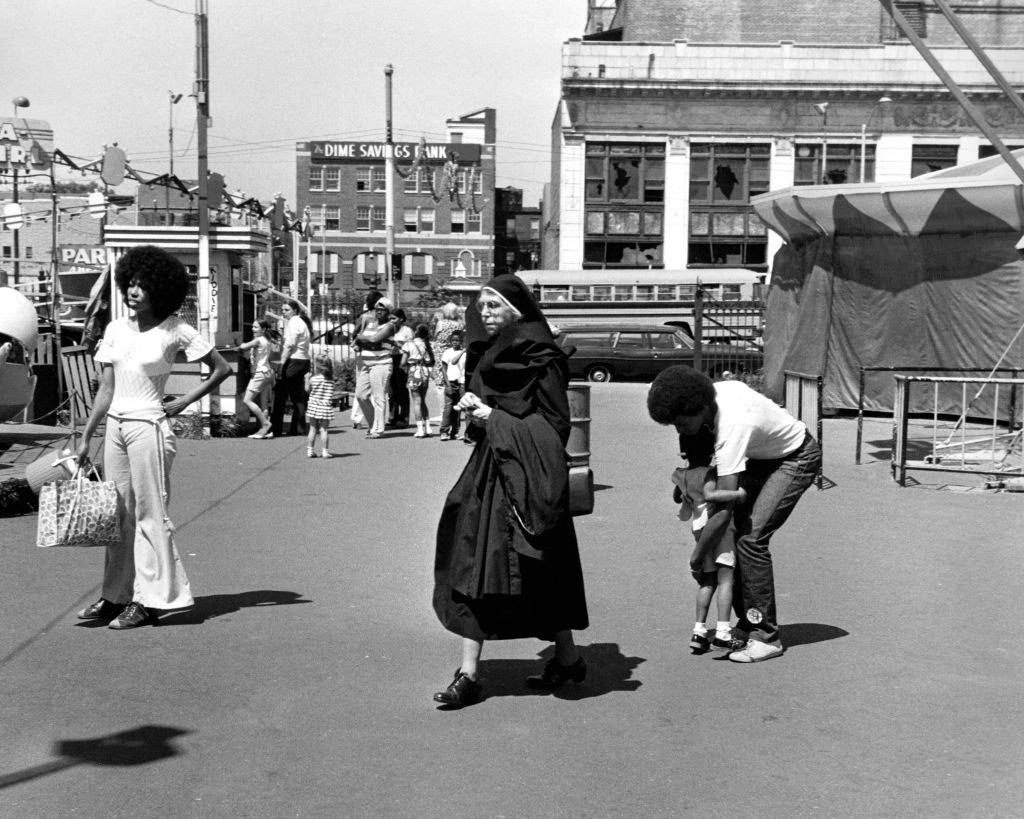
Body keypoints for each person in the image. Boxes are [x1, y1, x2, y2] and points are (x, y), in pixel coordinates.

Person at [432, 275, 589, 707]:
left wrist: (492, 418)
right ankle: (469, 674)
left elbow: (555, 427)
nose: (484, 312)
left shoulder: (543, 357)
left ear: (516, 310)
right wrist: (473, 412)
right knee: (472, 565)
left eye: (494, 305)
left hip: (527, 480)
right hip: (488, 474)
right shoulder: (487, 351)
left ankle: (569, 659)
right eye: (481, 305)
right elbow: (488, 408)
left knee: (539, 569)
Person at [74, 244, 230, 629]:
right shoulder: (113, 328)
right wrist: (86, 437)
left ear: (159, 289)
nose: (134, 291)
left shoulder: (175, 329)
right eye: (131, 283)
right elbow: (105, 390)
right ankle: (115, 596)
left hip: (149, 426)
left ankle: (151, 600)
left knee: (149, 515)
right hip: (115, 426)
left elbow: (221, 368)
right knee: (117, 516)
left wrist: (182, 404)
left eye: (143, 285)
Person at [647, 366, 821, 663]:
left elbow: (723, 510)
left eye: (681, 422)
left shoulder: (732, 426)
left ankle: (766, 636)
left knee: (751, 539)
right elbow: (699, 467)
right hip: (761, 456)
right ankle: (746, 624)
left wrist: (697, 556)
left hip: (796, 457)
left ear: (700, 408)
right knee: (736, 536)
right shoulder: (703, 401)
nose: (679, 430)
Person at [671, 457, 746, 654]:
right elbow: (710, 494)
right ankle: (723, 632)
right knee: (726, 580)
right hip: (717, 529)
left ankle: (699, 631)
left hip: (698, 528)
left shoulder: (681, 473)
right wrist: (737, 493)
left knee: (708, 581)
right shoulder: (710, 472)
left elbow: (677, 497)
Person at [353, 295, 399, 439]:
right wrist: (366, 341)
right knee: (361, 395)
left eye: (382, 310)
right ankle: (373, 424)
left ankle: (378, 429)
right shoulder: (371, 324)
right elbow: (358, 342)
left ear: (388, 312)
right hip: (366, 364)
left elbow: (373, 339)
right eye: (377, 309)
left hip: (381, 363)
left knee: (379, 397)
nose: (378, 312)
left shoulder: (389, 326)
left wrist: (364, 339)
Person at [269, 299, 312, 437]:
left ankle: (275, 428)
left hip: (294, 360)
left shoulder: (293, 322)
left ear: (295, 310)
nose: (283, 312)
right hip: (304, 360)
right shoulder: (302, 323)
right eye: (282, 310)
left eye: (286, 310)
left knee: (280, 393)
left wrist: (282, 362)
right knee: (297, 395)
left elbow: (290, 344)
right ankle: (298, 427)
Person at [234, 317, 280, 439]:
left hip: (259, 373)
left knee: (247, 400)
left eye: (255, 327)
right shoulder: (267, 339)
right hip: (268, 372)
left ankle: (265, 423)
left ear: (263, 329)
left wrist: (238, 345)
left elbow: (244, 346)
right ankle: (265, 430)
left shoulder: (258, 340)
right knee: (264, 404)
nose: (252, 329)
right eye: (253, 326)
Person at [349, 292, 381, 430]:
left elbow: (354, 333)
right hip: (375, 354)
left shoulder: (364, 317)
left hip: (363, 353)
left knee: (361, 387)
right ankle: (372, 419)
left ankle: (358, 417)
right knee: (374, 388)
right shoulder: (378, 318)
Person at [400, 323, 435, 438]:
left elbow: (403, 362)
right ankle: (428, 427)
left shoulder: (409, 344)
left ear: (416, 332)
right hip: (424, 372)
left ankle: (420, 429)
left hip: (414, 372)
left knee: (416, 401)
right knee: (423, 400)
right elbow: (430, 360)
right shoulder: (426, 344)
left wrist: (405, 368)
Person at [305, 353, 335, 458]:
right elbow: (331, 393)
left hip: (313, 406)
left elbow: (307, 390)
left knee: (312, 429)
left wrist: (306, 380)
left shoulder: (313, 379)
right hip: (325, 407)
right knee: (324, 430)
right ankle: (325, 451)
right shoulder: (331, 381)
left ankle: (310, 450)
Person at [438, 330, 465, 441]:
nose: (455, 342)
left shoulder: (464, 352)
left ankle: (455, 431)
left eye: (457, 340)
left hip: (461, 382)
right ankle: (444, 431)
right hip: (451, 382)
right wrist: (447, 384)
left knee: (458, 409)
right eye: (453, 340)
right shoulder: (447, 352)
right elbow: (444, 369)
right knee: (448, 408)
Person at [388, 307, 413, 428]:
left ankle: (404, 417)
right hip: (389, 360)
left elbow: (410, 347)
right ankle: (392, 416)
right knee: (391, 389)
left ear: (401, 319)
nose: (391, 321)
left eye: (394, 318)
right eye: (390, 318)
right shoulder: (388, 329)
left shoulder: (407, 331)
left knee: (401, 388)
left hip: (402, 360)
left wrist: (397, 343)